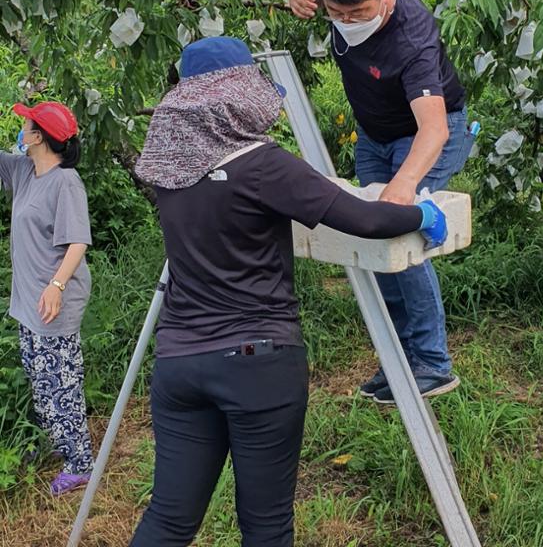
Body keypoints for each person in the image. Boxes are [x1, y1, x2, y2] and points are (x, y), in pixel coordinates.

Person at [129, 36, 446, 547]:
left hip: (179, 364)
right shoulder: (262, 165)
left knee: (168, 520)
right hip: (257, 362)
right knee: (266, 526)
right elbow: (363, 217)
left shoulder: (167, 174)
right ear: (240, 97)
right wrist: (421, 215)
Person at [289, 0, 473, 404]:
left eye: (360, 13)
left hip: (427, 131)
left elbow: (433, 128)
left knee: (398, 233)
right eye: (338, 14)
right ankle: (400, 358)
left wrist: (403, 186)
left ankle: (433, 362)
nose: (348, 22)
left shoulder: (413, 37)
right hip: (374, 135)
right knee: (372, 241)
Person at [1, 101, 94, 495]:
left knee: (60, 381)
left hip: (54, 299)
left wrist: (55, 286)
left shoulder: (65, 182)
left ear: (38, 136)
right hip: (29, 299)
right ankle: (63, 445)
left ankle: (81, 463)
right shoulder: (25, 171)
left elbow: (78, 242)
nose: (21, 129)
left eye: (25, 125)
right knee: (42, 380)